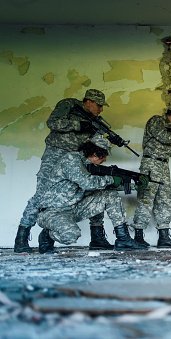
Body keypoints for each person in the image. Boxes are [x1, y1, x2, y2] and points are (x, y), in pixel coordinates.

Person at [14, 89, 113, 253]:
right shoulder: (68, 105)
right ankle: (22, 237)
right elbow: (53, 122)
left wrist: (107, 139)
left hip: (76, 157)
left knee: (89, 189)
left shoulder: (95, 121)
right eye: (99, 105)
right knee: (41, 195)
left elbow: (93, 143)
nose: (101, 109)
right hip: (55, 153)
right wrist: (79, 124)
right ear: (88, 102)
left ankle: (97, 238)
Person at [36, 134, 147, 253]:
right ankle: (47, 234)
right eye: (103, 155)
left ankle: (122, 239)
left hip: (75, 208)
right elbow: (87, 183)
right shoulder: (71, 159)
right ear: (95, 154)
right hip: (53, 211)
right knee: (70, 235)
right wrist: (110, 179)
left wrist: (134, 186)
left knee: (110, 195)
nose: (105, 159)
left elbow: (103, 185)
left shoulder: (89, 165)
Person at [131, 103, 171, 248]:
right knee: (146, 198)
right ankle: (138, 237)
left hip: (163, 165)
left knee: (165, 200)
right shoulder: (157, 121)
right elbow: (163, 137)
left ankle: (164, 237)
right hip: (150, 163)